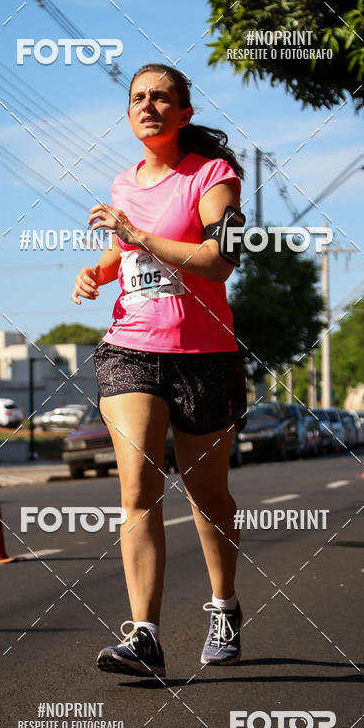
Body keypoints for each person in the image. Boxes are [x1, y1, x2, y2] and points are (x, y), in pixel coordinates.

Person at [71, 63, 247, 679]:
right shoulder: (125, 183)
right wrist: (100, 270)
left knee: (209, 498)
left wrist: (135, 234)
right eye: (137, 98)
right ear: (129, 113)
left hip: (204, 357)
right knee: (137, 491)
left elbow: (219, 261)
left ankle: (224, 608)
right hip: (130, 349)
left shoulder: (212, 176)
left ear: (184, 114)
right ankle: (144, 636)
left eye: (161, 98)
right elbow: (125, 252)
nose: (147, 106)